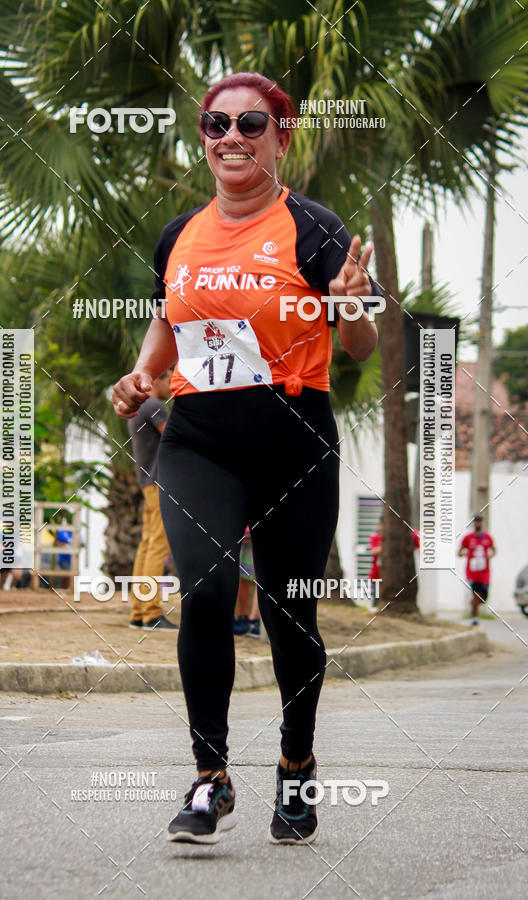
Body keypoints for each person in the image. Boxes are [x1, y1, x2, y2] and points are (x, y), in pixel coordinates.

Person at [112, 71, 380, 845]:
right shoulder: (179, 235)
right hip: (198, 440)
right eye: (215, 123)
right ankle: (209, 780)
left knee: (292, 617)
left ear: (281, 138)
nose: (231, 136)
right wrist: (140, 378)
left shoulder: (315, 227)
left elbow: (357, 343)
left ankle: (295, 770)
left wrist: (352, 304)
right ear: (202, 138)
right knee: (205, 586)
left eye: (251, 124)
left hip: (294, 442)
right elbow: (167, 334)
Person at [127, 369, 177, 631]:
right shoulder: (154, 405)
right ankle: (151, 613)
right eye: (168, 379)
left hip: (148, 484)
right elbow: (172, 437)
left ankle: (139, 611)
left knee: (147, 544)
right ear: (155, 380)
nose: (171, 384)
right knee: (159, 545)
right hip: (160, 483)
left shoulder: (138, 407)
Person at [459, 514, 496, 625]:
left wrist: (491, 555)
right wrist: (465, 553)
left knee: (484, 596)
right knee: (476, 593)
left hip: (484, 572)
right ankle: (475, 618)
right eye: (476, 521)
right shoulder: (468, 538)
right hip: (472, 572)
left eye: (479, 521)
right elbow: (459, 552)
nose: (478, 523)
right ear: (473, 523)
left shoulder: (487, 537)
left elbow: (494, 550)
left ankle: (473, 604)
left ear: (482, 523)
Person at [234, 527, 260, 637]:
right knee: (240, 575)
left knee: (261, 576)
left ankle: (255, 620)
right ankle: (243, 617)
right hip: (238, 529)